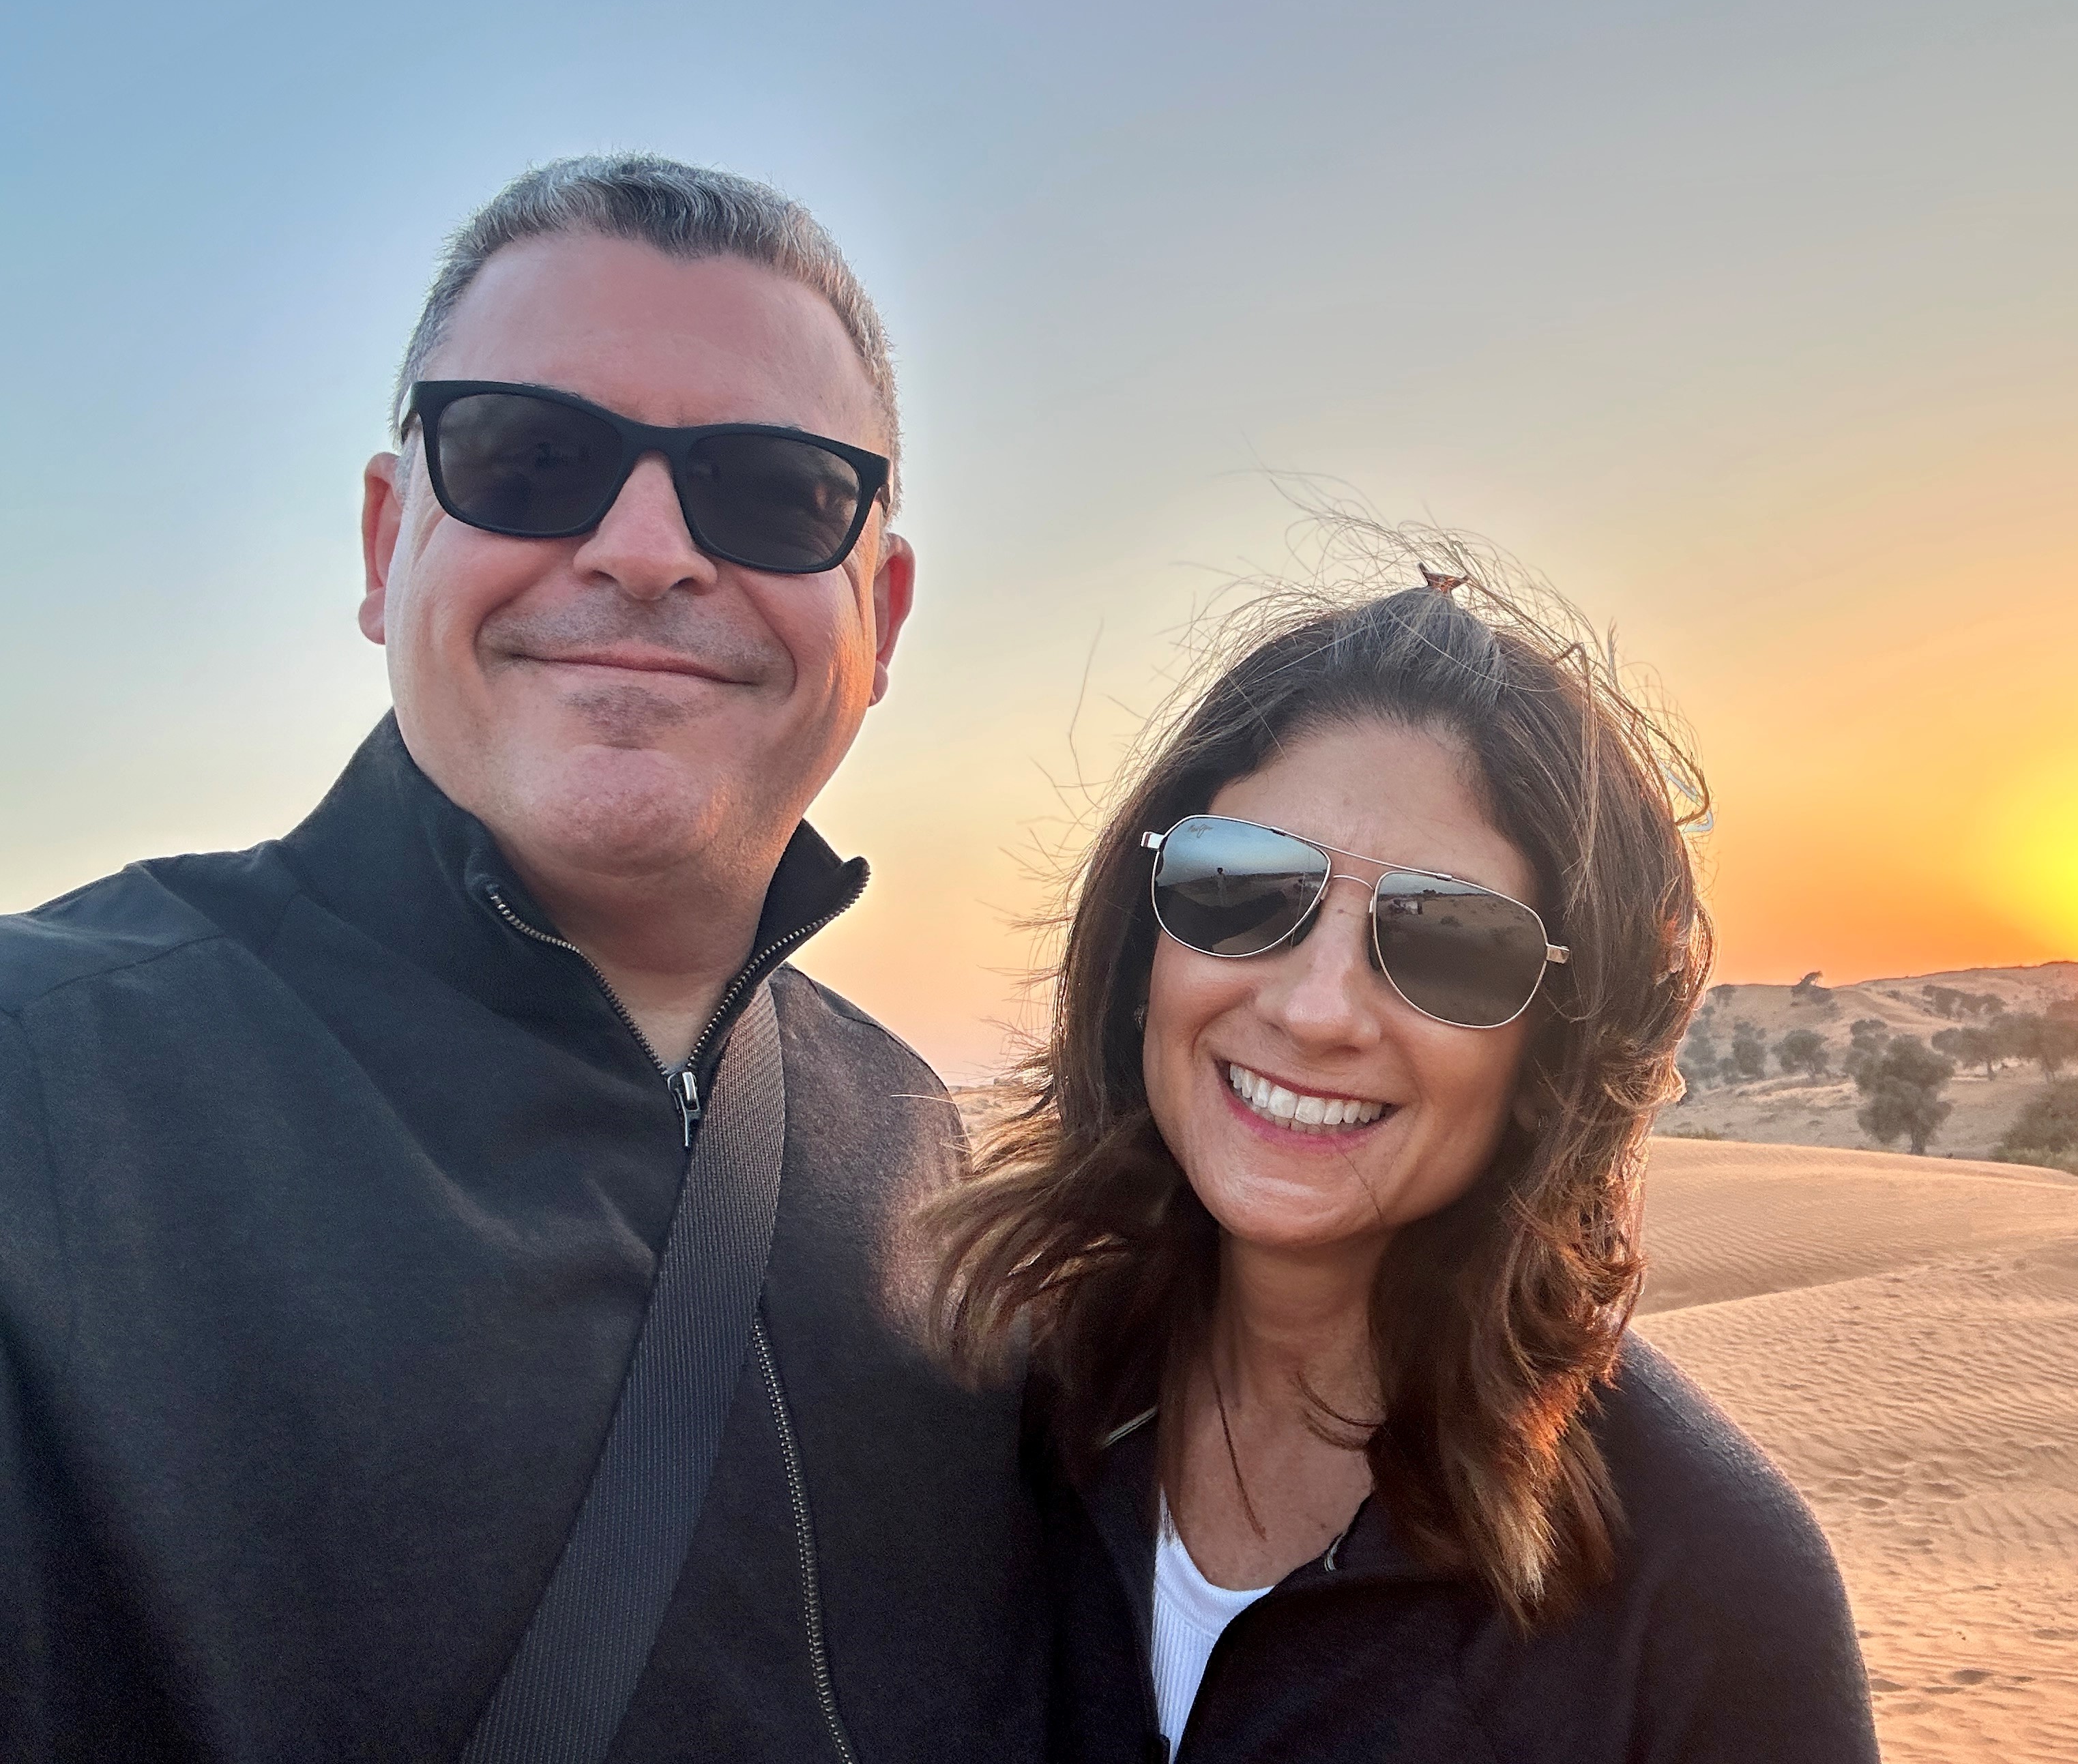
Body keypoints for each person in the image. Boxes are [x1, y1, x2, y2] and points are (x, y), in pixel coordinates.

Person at [0, 156, 1046, 1762]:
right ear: (386, 541)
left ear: (881, 616)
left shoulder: (909, 1140)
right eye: (531, 457)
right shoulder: (43, 1090)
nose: (645, 549)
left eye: (773, 490)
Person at [924, 571, 1881, 1761]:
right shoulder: (981, 1413)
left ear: (1551, 1053)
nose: (1318, 1008)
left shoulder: (1705, 1598)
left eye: (1449, 941)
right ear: (1141, 947)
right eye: (1241, 884)